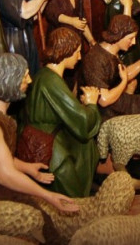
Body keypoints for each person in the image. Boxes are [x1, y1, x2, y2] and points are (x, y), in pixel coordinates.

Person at [0, 53, 79, 213]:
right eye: (25, 76)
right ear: (9, 80)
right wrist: (48, 196)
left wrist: (27, 168)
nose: (29, 81)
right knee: (32, 217)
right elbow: (6, 175)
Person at [20, 28, 102, 197]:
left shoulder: (45, 75)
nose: (79, 57)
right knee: (72, 187)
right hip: (48, 145)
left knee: (86, 146)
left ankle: (85, 187)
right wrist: (92, 104)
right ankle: (79, 197)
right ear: (66, 51)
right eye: (77, 52)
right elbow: (82, 121)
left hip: (48, 136)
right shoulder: (52, 81)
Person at [80, 14, 140, 121]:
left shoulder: (111, 52)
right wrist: (124, 82)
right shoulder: (96, 58)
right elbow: (104, 100)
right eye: (131, 38)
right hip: (104, 110)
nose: (134, 42)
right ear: (119, 35)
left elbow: (124, 73)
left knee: (136, 86)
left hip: (112, 98)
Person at [44, 0, 95, 91]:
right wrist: (71, 21)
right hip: (60, 43)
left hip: (76, 42)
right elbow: (52, 14)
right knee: (62, 80)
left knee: (77, 78)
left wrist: (91, 41)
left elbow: (82, 19)